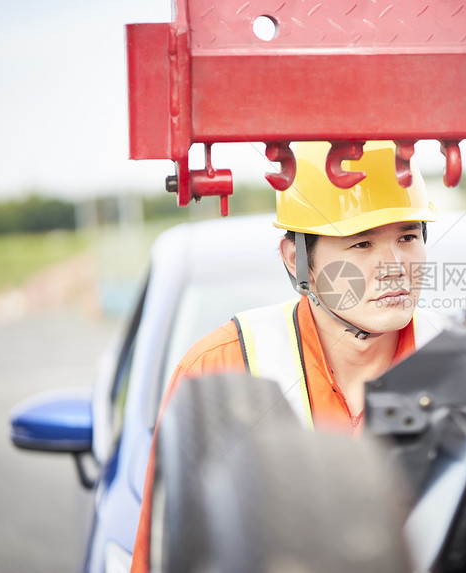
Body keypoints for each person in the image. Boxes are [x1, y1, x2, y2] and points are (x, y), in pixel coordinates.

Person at [129, 141, 445, 572]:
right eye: (360, 245)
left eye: (407, 237)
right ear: (297, 259)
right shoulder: (221, 368)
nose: (394, 266)